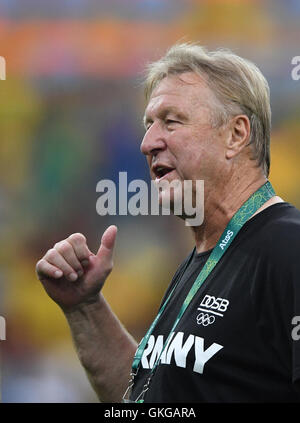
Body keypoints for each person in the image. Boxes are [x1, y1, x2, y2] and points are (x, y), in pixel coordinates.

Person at [36, 43, 300, 402]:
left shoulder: (288, 250)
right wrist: (85, 307)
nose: (147, 143)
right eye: (148, 125)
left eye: (171, 121)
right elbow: (147, 401)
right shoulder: (202, 261)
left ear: (236, 135)